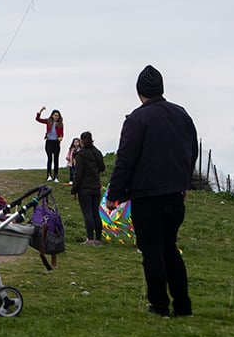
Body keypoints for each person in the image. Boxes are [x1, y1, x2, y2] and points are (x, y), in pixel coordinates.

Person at [106, 65, 198, 318]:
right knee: (170, 247)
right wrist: (184, 183)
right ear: (161, 89)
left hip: (147, 196)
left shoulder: (137, 119)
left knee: (152, 251)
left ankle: (159, 306)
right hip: (175, 196)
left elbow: (126, 159)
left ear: (139, 92)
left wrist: (113, 195)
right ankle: (183, 306)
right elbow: (192, 151)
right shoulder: (182, 115)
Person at [71, 131, 104, 246]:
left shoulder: (80, 155)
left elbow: (78, 174)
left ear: (81, 141)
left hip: (84, 188)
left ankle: (90, 239)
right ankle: (98, 239)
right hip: (96, 186)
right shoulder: (97, 153)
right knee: (96, 213)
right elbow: (103, 167)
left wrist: (74, 190)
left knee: (87, 213)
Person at [35, 106, 64, 182]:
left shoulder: (60, 124)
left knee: (56, 159)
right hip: (49, 142)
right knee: (50, 158)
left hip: (56, 143)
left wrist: (61, 137)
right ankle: (49, 175)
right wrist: (40, 111)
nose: (56, 117)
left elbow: (61, 133)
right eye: (55, 115)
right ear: (52, 115)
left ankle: (56, 176)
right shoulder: (48, 121)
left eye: (57, 116)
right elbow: (38, 119)